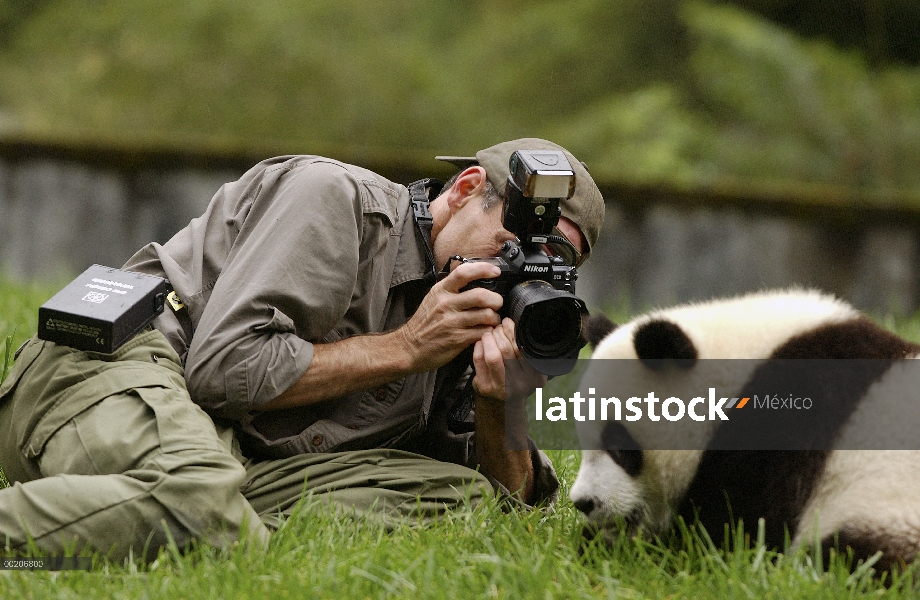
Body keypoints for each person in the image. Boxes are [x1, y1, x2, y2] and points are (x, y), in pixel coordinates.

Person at [0, 138, 604, 560]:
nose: (518, 271)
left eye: (551, 268)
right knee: (199, 499)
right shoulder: (337, 199)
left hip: (228, 441)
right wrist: (409, 346)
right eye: (517, 243)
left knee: (460, 496)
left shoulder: (484, 312)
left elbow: (514, 506)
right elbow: (220, 368)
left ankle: (185, 516)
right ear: (468, 188)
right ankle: (188, 508)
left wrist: (503, 401)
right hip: (120, 361)